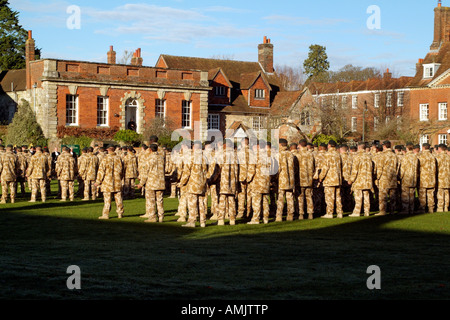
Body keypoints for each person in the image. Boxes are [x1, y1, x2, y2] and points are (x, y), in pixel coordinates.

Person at [179, 141, 208, 228]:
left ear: (194, 147)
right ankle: (203, 221)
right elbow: (206, 170)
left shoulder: (191, 158)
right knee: (201, 203)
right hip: (202, 183)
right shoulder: (204, 158)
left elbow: (186, 172)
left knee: (192, 204)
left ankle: (192, 221)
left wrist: (182, 182)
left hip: (193, 184)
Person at [212, 139, 239, 226]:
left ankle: (221, 220)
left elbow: (218, 169)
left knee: (222, 200)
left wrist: (212, 179)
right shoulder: (235, 155)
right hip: (233, 181)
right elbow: (237, 170)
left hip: (223, 181)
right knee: (232, 201)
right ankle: (232, 219)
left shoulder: (221, 154)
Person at [137, 144, 166, 223]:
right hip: (160, 182)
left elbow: (145, 173)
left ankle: (152, 217)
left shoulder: (149, 159)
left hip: (151, 183)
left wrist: (141, 183)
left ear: (150, 149)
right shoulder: (161, 158)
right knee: (160, 200)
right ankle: (161, 216)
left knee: (151, 201)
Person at [95, 146, 124, 219]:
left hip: (107, 182)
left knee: (107, 200)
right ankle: (120, 213)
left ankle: (106, 214)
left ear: (107, 150)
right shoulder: (119, 158)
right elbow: (122, 170)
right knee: (119, 199)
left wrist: (98, 181)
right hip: (117, 181)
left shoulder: (105, 159)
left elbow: (101, 171)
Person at [247, 140, 272, 224]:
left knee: (256, 201)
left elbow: (251, 169)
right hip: (266, 181)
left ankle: (255, 219)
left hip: (257, 182)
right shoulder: (269, 156)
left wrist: (248, 179)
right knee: (265, 201)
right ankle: (266, 218)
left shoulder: (255, 156)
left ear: (258, 146)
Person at [319, 140, 343, 219]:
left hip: (330, 179)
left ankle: (330, 213)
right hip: (338, 179)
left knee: (329, 197)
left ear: (329, 145)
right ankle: (340, 212)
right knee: (338, 197)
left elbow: (325, 167)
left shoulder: (327, 155)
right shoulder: (338, 154)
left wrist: (320, 177)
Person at [348, 142, 373, 217]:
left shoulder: (357, 157)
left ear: (358, 147)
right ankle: (367, 211)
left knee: (358, 197)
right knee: (366, 196)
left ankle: (357, 212)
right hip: (367, 180)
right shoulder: (369, 157)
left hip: (359, 180)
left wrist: (351, 180)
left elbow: (355, 170)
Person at [375, 141, 398, 216]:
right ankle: (392, 210)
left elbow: (380, 168)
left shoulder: (383, 156)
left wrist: (377, 178)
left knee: (383, 196)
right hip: (393, 177)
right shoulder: (394, 155)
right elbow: (397, 167)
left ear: (384, 146)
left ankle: (383, 211)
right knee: (392, 196)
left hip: (384, 178)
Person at [275, 139, 296, 222]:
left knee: (280, 199)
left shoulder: (279, 154)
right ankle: (290, 215)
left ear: (280, 145)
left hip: (282, 179)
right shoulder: (291, 154)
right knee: (290, 198)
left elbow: (278, 168)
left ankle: (279, 216)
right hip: (290, 179)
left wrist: (275, 177)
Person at [295, 139, 315, 220]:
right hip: (309, 179)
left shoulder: (298, 155)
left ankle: (301, 214)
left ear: (299, 145)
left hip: (300, 179)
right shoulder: (310, 154)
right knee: (309, 196)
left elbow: (295, 168)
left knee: (300, 197)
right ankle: (310, 213)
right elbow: (313, 166)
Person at [399, 143, 419, 215]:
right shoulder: (415, 157)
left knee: (405, 195)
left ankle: (405, 209)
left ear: (407, 148)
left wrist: (400, 177)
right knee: (412, 195)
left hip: (406, 178)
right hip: (413, 178)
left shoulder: (405, 157)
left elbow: (403, 169)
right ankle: (412, 209)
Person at [417, 143, 437, 213]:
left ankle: (422, 208)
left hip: (423, 178)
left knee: (422, 195)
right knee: (430, 194)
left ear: (423, 148)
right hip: (431, 178)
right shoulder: (433, 157)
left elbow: (418, 168)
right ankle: (431, 208)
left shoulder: (421, 156)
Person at [237, 137, 251, 219]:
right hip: (250, 177)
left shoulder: (239, 153)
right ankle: (249, 211)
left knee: (241, 195)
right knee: (249, 195)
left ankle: (241, 211)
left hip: (241, 176)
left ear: (242, 142)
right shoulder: (252, 153)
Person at [436, 144, 450, 212]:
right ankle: (446, 207)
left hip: (440, 177)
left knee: (440, 193)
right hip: (448, 178)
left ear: (440, 148)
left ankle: (440, 207)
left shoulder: (438, 157)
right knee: (447, 193)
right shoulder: (448, 157)